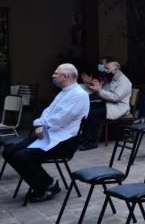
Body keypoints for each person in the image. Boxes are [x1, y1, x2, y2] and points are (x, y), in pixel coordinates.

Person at [3, 64, 89, 202]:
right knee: (8, 152)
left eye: (56, 74)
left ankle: (46, 186)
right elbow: (48, 111)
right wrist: (40, 122)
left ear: (66, 77)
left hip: (64, 141)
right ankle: (43, 181)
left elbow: (61, 118)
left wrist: (41, 124)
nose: (53, 76)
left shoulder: (79, 95)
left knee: (22, 157)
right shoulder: (63, 91)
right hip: (49, 134)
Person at [79, 61, 132, 150]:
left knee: (93, 114)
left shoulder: (124, 81)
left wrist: (100, 90)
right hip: (109, 104)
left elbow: (116, 98)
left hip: (118, 107)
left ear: (115, 70)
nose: (105, 70)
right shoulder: (113, 79)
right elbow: (104, 91)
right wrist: (97, 86)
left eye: (107, 68)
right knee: (86, 109)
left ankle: (92, 142)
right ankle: (85, 138)